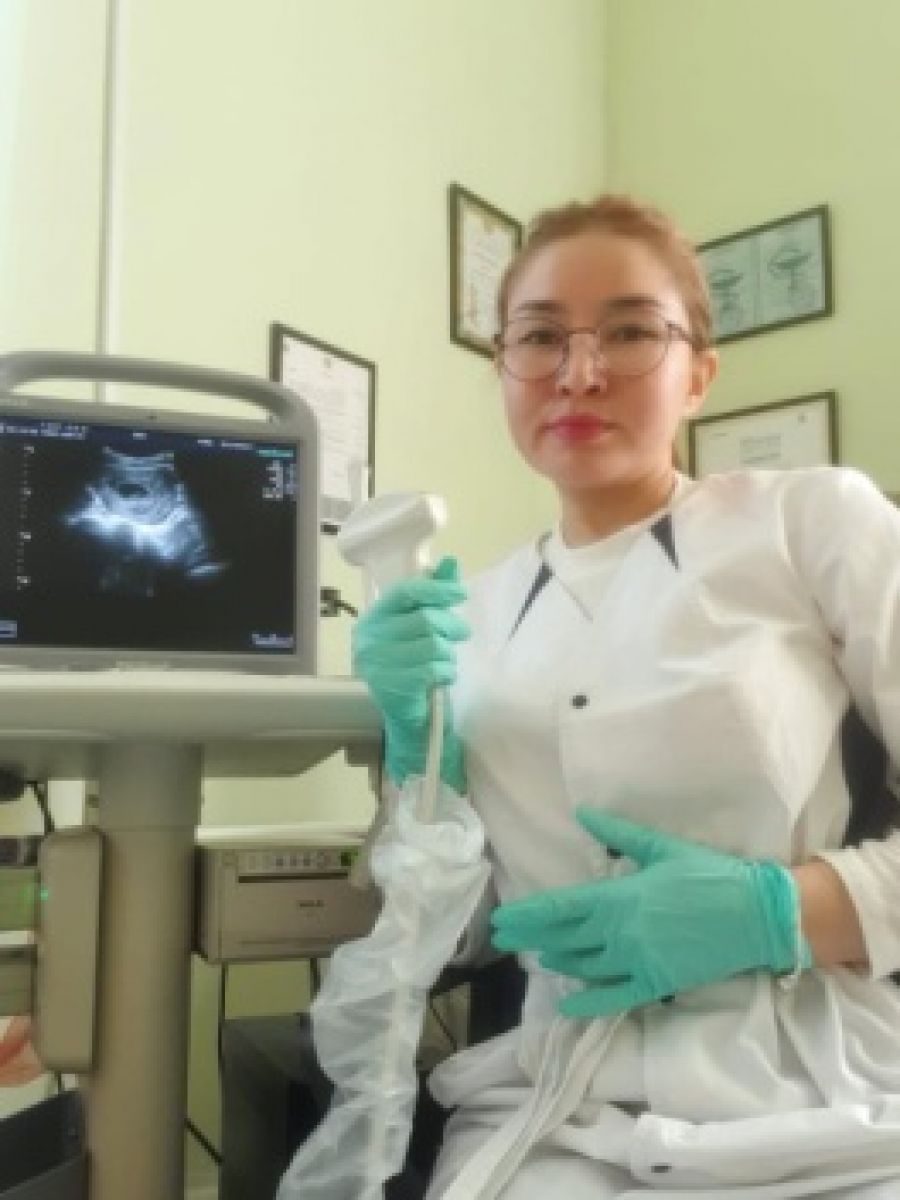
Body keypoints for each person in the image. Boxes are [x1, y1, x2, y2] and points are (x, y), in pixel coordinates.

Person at [351, 195, 900, 1198]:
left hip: (825, 1090)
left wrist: (781, 911)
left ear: (700, 376)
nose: (580, 373)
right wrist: (412, 760)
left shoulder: (815, 525)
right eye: (540, 337)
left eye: (633, 332)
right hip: (560, 1103)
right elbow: (453, 937)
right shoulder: (468, 615)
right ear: (503, 368)